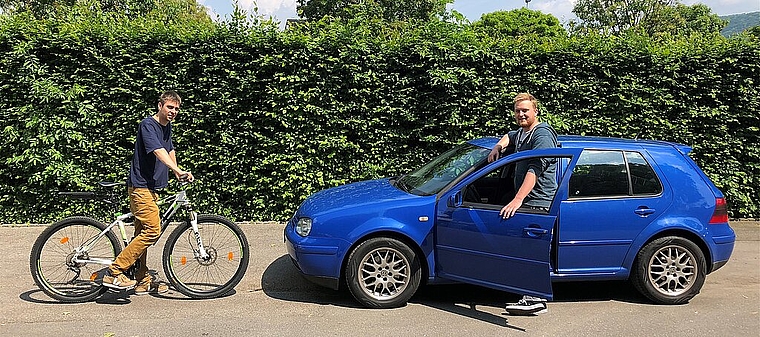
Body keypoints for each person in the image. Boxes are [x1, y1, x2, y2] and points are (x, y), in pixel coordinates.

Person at [102, 90, 194, 295]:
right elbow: (157, 151)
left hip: (151, 189)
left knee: (140, 234)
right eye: (170, 107)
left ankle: (142, 278)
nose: (173, 112)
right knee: (152, 230)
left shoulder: (166, 127)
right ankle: (114, 272)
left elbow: (169, 150)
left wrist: (177, 172)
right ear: (160, 105)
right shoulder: (148, 125)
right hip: (140, 187)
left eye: (177, 109)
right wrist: (176, 170)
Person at [487, 92, 558, 315]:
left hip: (538, 202)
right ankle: (529, 292)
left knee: (533, 250)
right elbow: (510, 135)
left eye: (525, 110)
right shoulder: (522, 133)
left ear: (535, 111)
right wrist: (498, 146)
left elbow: (535, 168)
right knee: (526, 249)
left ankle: (536, 299)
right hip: (529, 200)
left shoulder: (542, 135)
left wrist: (518, 199)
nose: (521, 114)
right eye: (518, 111)